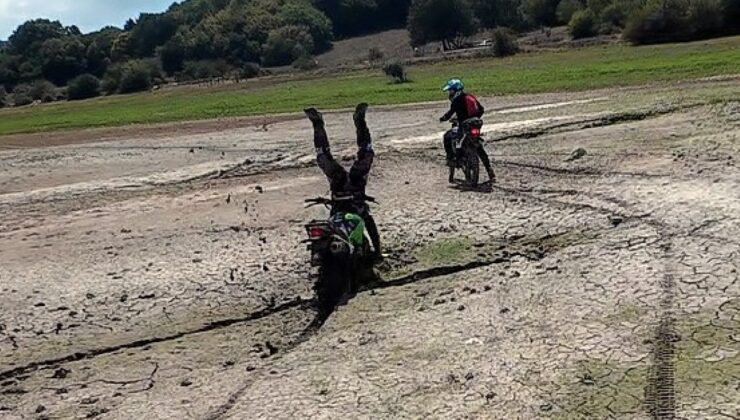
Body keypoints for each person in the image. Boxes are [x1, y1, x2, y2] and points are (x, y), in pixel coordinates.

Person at [304, 103, 382, 260]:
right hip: (349, 200)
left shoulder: (345, 177)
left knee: (326, 157)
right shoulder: (352, 177)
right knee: (363, 154)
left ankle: (325, 123)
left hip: (346, 200)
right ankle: (377, 250)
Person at [439, 79, 496, 183]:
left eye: (451, 91)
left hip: (464, 125)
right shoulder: (470, 97)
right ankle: (489, 170)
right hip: (476, 123)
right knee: (479, 147)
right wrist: (474, 117)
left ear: (456, 90)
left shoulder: (456, 101)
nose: (450, 93)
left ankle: (457, 160)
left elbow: (449, 114)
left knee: (454, 141)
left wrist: (442, 118)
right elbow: (481, 109)